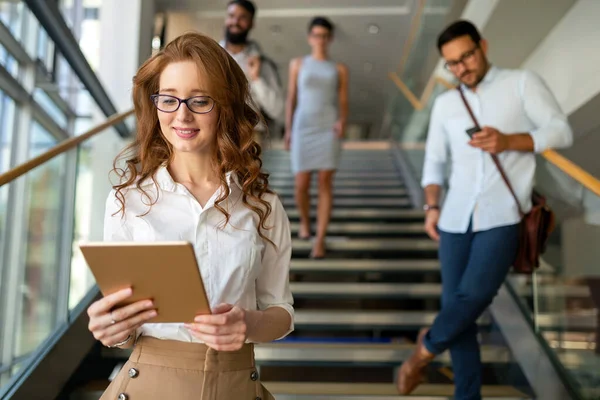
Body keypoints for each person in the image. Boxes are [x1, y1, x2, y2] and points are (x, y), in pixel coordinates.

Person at [86, 32, 294, 400]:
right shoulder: (127, 202)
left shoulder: (263, 205)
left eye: (200, 101)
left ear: (226, 106)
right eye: (169, 100)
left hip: (234, 384)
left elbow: (281, 311)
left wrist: (250, 322)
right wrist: (110, 328)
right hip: (147, 383)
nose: (181, 114)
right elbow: (124, 325)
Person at [396, 20, 573, 399]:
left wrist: (511, 140)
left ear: (483, 46)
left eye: (468, 56)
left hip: (505, 213)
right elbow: (434, 163)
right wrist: (431, 206)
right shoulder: (445, 104)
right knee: (458, 310)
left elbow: (561, 130)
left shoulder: (521, 83)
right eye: (453, 63)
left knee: (473, 297)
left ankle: (422, 353)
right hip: (455, 217)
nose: (462, 68)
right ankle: (467, 395)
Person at [284, 16, 349, 259]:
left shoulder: (339, 68)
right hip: (303, 127)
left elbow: (343, 99)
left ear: (330, 38)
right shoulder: (298, 64)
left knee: (324, 183)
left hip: (327, 127)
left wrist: (343, 120)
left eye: (324, 35)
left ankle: (320, 238)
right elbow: (292, 97)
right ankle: (304, 221)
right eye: (316, 35)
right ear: (309, 37)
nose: (320, 40)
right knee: (301, 184)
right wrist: (288, 129)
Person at [220, 0, 284, 138]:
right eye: (231, 16)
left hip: (250, 134)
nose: (235, 21)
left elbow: (277, 110)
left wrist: (256, 79)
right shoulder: (210, 58)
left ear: (251, 23)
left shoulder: (263, 64)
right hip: (215, 132)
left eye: (242, 17)